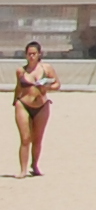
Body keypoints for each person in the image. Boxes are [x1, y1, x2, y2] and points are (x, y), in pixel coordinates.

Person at [15, 42, 60, 177]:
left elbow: (57, 83)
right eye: (29, 54)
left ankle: (34, 165)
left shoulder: (46, 68)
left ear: (40, 54)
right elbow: (18, 87)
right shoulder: (21, 71)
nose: (32, 56)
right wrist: (15, 100)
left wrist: (48, 88)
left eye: (34, 53)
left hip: (42, 105)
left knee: (38, 138)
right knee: (25, 138)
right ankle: (23, 170)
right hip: (23, 104)